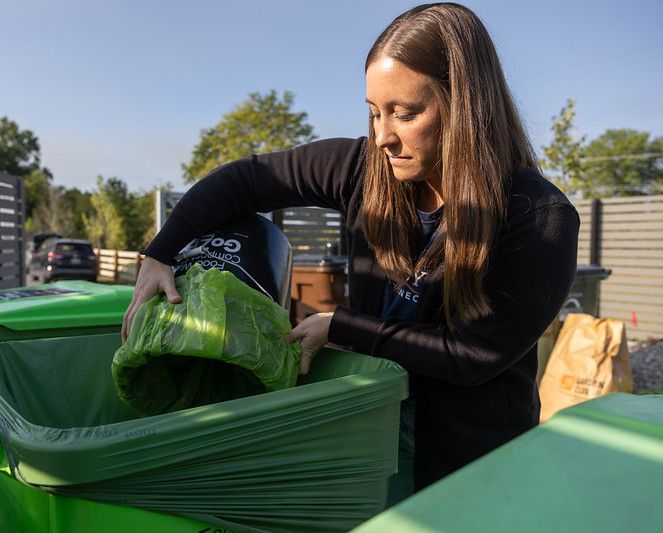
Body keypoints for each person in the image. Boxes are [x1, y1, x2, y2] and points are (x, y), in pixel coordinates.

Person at [122, 2, 579, 498]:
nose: (382, 135)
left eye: (405, 113)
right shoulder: (363, 170)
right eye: (373, 111)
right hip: (370, 424)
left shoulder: (537, 217)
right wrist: (160, 252)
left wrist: (341, 325)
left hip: (467, 459)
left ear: (465, 106)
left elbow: (472, 355)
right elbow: (247, 179)